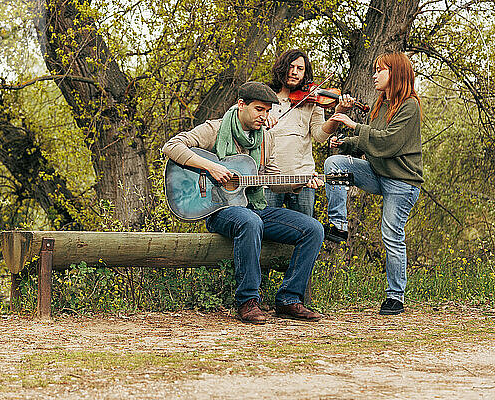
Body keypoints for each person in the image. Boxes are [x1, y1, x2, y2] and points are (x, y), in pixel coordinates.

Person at [162, 81, 325, 324]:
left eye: (268, 111)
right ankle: (248, 301)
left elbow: (272, 179)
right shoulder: (215, 129)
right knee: (249, 221)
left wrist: (298, 183)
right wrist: (211, 166)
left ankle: (289, 299)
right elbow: (171, 146)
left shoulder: (266, 139)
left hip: (254, 206)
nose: (264, 116)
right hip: (220, 209)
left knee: (313, 229)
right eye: (259, 109)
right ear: (241, 104)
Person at [323, 52, 423, 315]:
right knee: (335, 165)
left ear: (396, 73)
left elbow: (387, 143)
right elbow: (370, 140)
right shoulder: (380, 104)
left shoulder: (409, 106)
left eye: (380, 70)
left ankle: (395, 297)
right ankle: (339, 224)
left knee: (391, 234)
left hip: (402, 182)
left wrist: (354, 127)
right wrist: (344, 143)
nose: (374, 75)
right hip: (378, 174)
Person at [265, 49, 353, 216]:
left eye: (300, 69)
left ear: (305, 73)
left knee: (304, 232)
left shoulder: (312, 102)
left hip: (303, 178)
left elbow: (320, 136)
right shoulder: (266, 98)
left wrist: (337, 115)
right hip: (270, 179)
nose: (294, 72)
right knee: (266, 231)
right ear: (282, 68)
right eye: (291, 67)